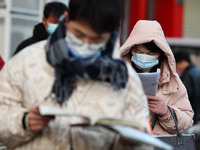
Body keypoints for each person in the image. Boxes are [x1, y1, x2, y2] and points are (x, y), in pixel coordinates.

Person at [0, 0, 151, 149]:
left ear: (112, 33)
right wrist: (24, 121)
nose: (85, 43)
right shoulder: (26, 62)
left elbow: (145, 139)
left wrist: (133, 141)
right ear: (66, 19)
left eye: (96, 39)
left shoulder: (125, 78)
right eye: (78, 34)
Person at [120, 20, 194, 135]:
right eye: (139, 52)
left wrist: (166, 112)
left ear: (161, 54)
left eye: (150, 54)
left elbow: (188, 121)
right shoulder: (115, 74)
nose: (144, 58)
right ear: (130, 49)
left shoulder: (173, 82)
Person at [174, 51, 200, 124]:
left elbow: (186, 95)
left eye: (177, 64)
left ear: (182, 62)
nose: (177, 68)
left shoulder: (187, 75)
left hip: (193, 114)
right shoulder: (197, 71)